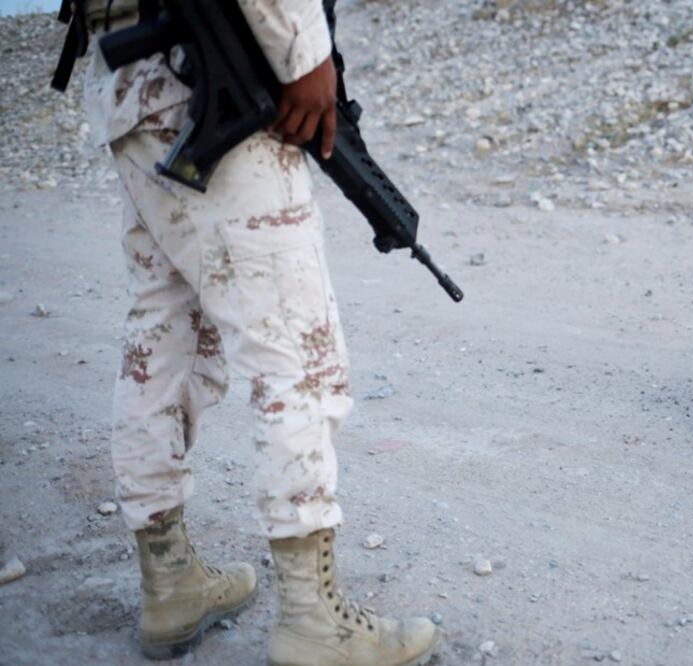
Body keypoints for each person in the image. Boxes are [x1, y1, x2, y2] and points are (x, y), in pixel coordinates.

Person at [59, 1, 440, 663]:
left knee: (166, 332)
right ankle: (314, 619)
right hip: (207, 61)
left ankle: (169, 582)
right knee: (296, 349)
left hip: (132, 74)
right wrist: (304, 51)